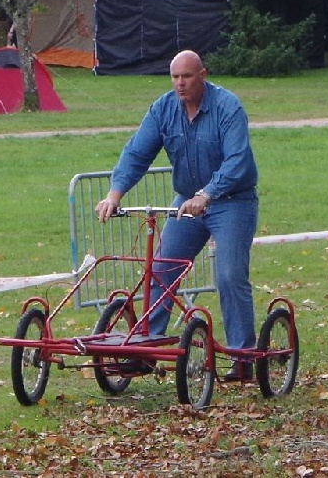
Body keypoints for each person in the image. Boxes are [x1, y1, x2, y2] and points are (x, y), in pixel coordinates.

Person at [94, 50, 259, 382]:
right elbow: (137, 152)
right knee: (160, 269)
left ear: (202, 75)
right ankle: (147, 348)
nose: (180, 84)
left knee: (228, 275)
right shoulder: (163, 109)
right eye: (175, 77)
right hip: (187, 203)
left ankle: (243, 359)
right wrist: (115, 193)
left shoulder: (228, 108)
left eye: (186, 76)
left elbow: (236, 161)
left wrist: (207, 194)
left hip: (231, 201)